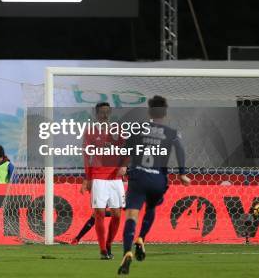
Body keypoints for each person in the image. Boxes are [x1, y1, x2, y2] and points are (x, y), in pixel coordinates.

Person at [117, 96, 190, 275]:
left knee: (131, 215)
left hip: (139, 176)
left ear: (149, 112)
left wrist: (122, 166)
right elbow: (180, 150)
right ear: (165, 114)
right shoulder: (172, 133)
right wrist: (182, 173)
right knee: (151, 207)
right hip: (158, 179)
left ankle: (127, 252)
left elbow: (126, 149)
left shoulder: (138, 129)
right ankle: (141, 238)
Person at [80, 102, 125, 259]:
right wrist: (87, 178)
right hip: (98, 177)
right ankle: (102, 250)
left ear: (110, 113)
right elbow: (86, 156)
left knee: (117, 215)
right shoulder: (90, 131)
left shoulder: (118, 130)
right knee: (99, 213)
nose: (104, 115)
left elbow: (127, 151)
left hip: (115, 178)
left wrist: (125, 166)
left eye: (107, 112)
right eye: (101, 113)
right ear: (96, 114)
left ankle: (109, 243)